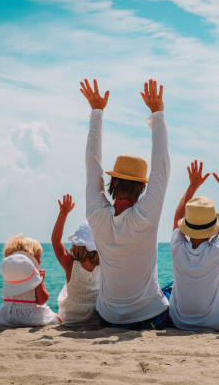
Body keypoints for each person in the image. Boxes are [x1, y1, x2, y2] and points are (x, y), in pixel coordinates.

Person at [81, 78, 171, 329]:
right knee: (175, 289)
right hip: (149, 317)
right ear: (142, 187)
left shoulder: (96, 215)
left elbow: (92, 166)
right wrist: (157, 115)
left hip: (108, 317)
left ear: (111, 183)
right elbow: (161, 170)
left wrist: (97, 112)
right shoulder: (145, 217)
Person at [166, 160, 219, 331]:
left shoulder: (176, 247)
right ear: (212, 229)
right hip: (216, 322)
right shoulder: (216, 250)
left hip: (179, 321)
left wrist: (192, 186)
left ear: (186, 224)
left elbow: (177, 216)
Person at [0, 234, 60, 327]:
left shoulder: (9, 270)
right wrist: (41, 280)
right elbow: (42, 300)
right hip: (29, 315)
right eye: (38, 257)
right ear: (30, 257)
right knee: (58, 318)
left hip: (7, 315)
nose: (40, 261)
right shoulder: (33, 273)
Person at [51, 194, 100, 325]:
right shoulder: (105, 265)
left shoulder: (70, 264)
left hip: (70, 319)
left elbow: (56, 241)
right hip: (94, 320)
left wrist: (63, 214)